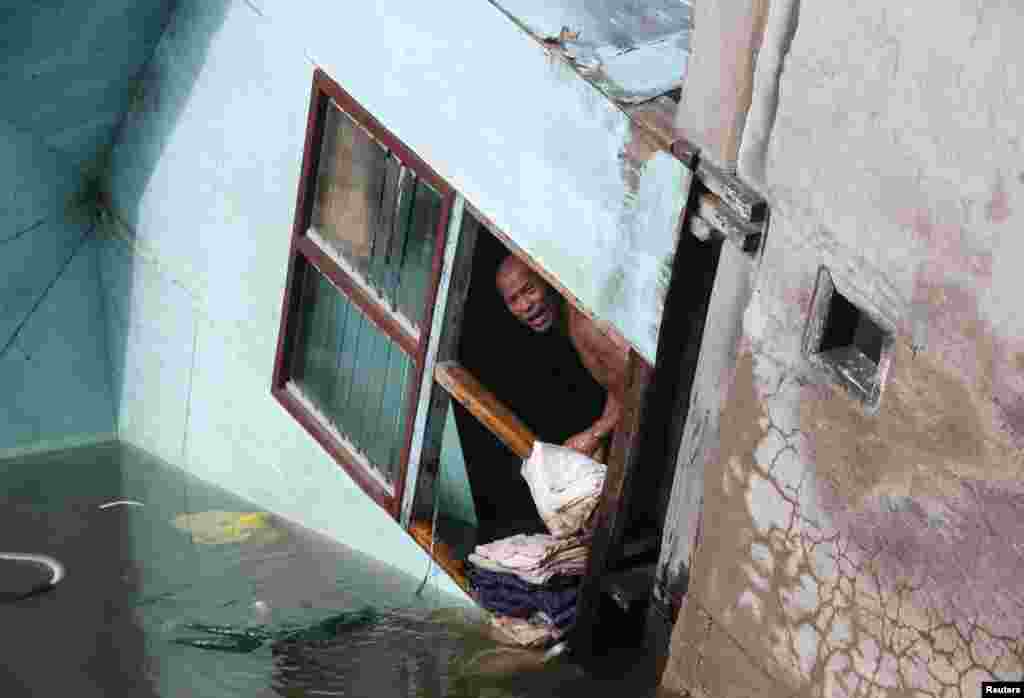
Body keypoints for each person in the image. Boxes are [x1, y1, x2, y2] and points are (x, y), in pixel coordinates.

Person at [495, 255, 630, 462]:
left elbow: (637, 381)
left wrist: (596, 434)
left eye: (530, 290)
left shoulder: (585, 324)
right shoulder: (570, 327)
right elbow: (618, 384)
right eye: (513, 300)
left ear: (548, 279)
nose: (525, 306)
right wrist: (597, 436)